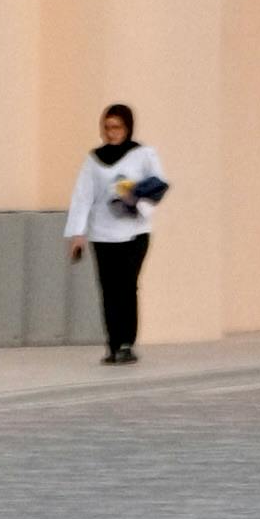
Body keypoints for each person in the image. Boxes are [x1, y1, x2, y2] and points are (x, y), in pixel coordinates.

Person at [64, 100, 169, 367]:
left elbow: (158, 185)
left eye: (117, 127)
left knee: (127, 286)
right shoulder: (94, 160)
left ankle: (126, 343)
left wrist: (135, 198)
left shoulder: (143, 154)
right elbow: (82, 197)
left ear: (128, 128)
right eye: (107, 127)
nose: (111, 133)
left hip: (135, 233)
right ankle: (112, 344)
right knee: (109, 290)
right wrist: (78, 234)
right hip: (102, 233)